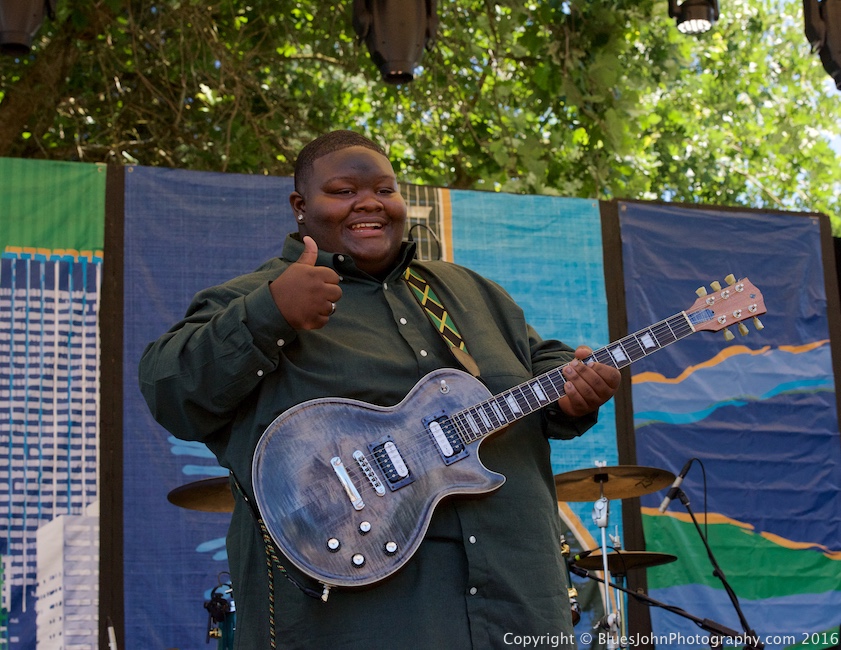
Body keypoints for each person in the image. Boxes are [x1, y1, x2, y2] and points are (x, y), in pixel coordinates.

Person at [139, 130, 621, 649]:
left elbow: (540, 364)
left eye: (385, 190)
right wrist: (267, 314)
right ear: (300, 207)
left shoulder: (467, 292)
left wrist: (577, 390)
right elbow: (170, 389)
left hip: (521, 609)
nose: (369, 203)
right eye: (344, 191)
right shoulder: (253, 297)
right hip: (362, 625)